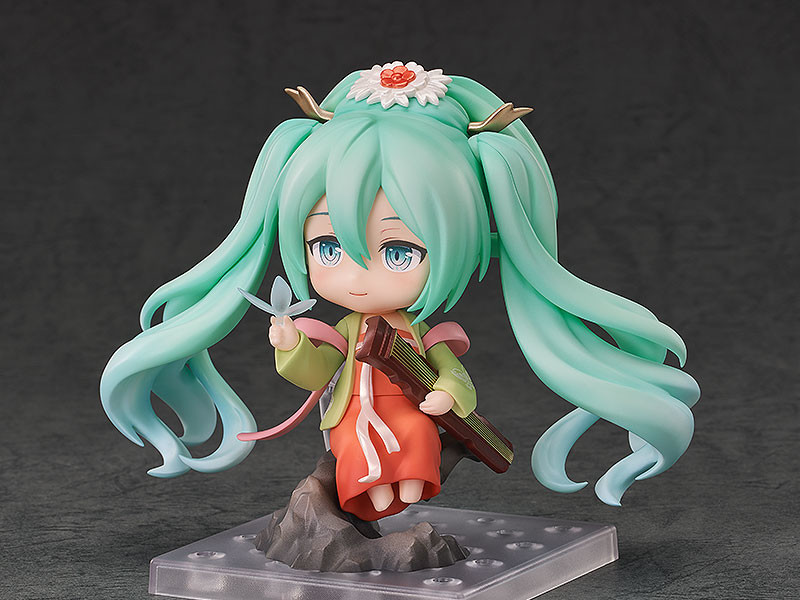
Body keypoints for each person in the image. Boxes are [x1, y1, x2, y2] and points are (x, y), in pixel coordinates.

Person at [100, 61, 700, 517]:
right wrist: (291, 344)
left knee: (414, 442)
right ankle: (364, 502)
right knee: (355, 454)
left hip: (410, 411)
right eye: (327, 247)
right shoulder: (343, 328)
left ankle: (405, 488)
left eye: (398, 251)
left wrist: (448, 396)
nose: (356, 275)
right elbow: (318, 371)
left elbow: (452, 374)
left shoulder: (424, 335)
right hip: (352, 414)